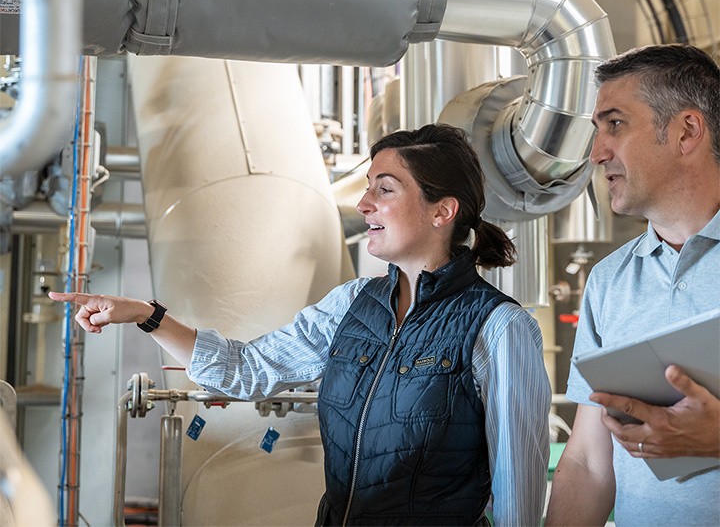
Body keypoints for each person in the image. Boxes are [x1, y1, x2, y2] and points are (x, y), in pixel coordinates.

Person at [50, 123, 551, 526]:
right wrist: (147, 314)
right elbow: (246, 369)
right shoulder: (353, 304)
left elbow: (518, 498)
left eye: (385, 189)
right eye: (367, 186)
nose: (364, 204)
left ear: (443, 210)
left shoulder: (499, 328)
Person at [545, 44, 720, 526]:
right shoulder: (610, 281)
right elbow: (587, 462)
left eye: (615, 124)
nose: (598, 151)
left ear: (686, 131)